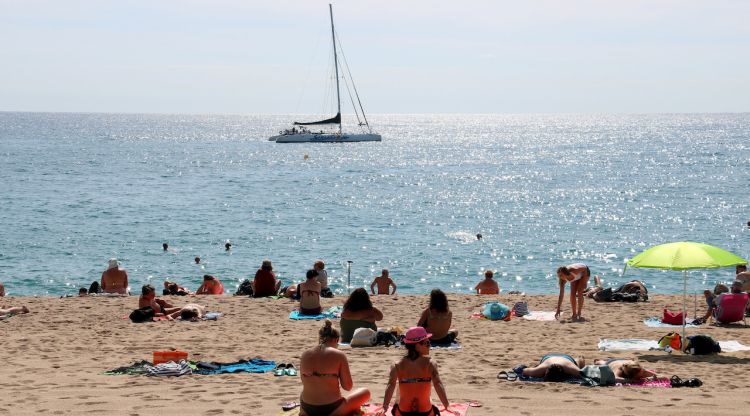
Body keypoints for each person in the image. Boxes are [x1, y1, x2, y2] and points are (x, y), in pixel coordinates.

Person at [299, 320, 370, 416]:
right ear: (336, 340)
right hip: (332, 410)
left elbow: (305, 382)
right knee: (365, 392)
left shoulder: (305, 354)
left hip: (306, 408)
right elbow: (348, 387)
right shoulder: (339, 355)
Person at [381, 327, 453, 416]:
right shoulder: (430, 363)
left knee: (400, 386)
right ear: (417, 346)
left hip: (403, 412)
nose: (430, 346)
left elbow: (391, 385)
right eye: (427, 343)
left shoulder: (397, 365)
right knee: (429, 397)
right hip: (425, 412)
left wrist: (385, 406)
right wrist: (447, 405)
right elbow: (437, 384)